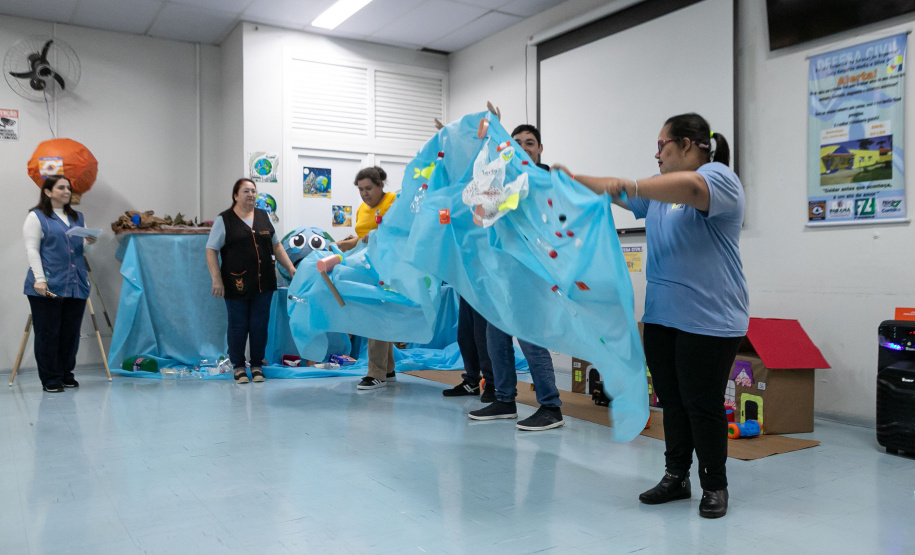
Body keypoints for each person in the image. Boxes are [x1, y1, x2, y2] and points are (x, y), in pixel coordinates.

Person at [553, 113, 748, 518]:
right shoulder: (659, 195)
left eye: (662, 145)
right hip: (662, 318)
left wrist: (630, 184)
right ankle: (676, 476)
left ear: (688, 144)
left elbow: (691, 189)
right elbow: (613, 193)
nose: (656, 154)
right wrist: (569, 178)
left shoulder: (718, 178)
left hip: (709, 321)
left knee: (703, 404)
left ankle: (715, 484)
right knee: (672, 402)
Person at [468, 124, 565, 431]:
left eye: (530, 143)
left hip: (533, 272)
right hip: (504, 272)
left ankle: (551, 406)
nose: (523, 147)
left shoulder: (547, 182)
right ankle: (504, 399)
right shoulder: (501, 181)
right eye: (517, 143)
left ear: (540, 149)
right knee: (495, 335)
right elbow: (482, 210)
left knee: (531, 337)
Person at [206, 178, 296, 384]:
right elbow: (211, 250)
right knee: (238, 326)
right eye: (246, 191)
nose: (251, 195)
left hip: (264, 282)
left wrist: (290, 267)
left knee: (259, 325)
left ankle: (256, 365)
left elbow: (276, 246)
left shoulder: (264, 216)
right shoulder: (224, 220)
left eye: (254, 191)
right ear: (235, 195)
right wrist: (216, 279)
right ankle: (238, 366)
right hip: (235, 283)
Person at [23, 175, 97, 392]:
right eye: (61, 187)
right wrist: (40, 279)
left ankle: (66, 374)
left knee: (70, 333)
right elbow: (32, 249)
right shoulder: (36, 217)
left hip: (75, 283)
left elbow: (81, 249)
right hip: (48, 285)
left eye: (68, 188)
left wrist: (89, 243)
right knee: (48, 333)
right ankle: (50, 378)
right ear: (48, 192)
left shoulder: (78, 217)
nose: (67, 191)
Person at [337, 167, 398, 390]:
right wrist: (347, 243)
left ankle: (376, 373)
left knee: (376, 317)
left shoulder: (393, 202)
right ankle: (388, 369)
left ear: (380, 185)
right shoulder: (363, 208)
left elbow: (394, 233)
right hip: (367, 268)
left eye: (369, 188)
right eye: (360, 189)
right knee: (378, 316)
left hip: (387, 268)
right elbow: (364, 237)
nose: (364, 194)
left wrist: (367, 239)